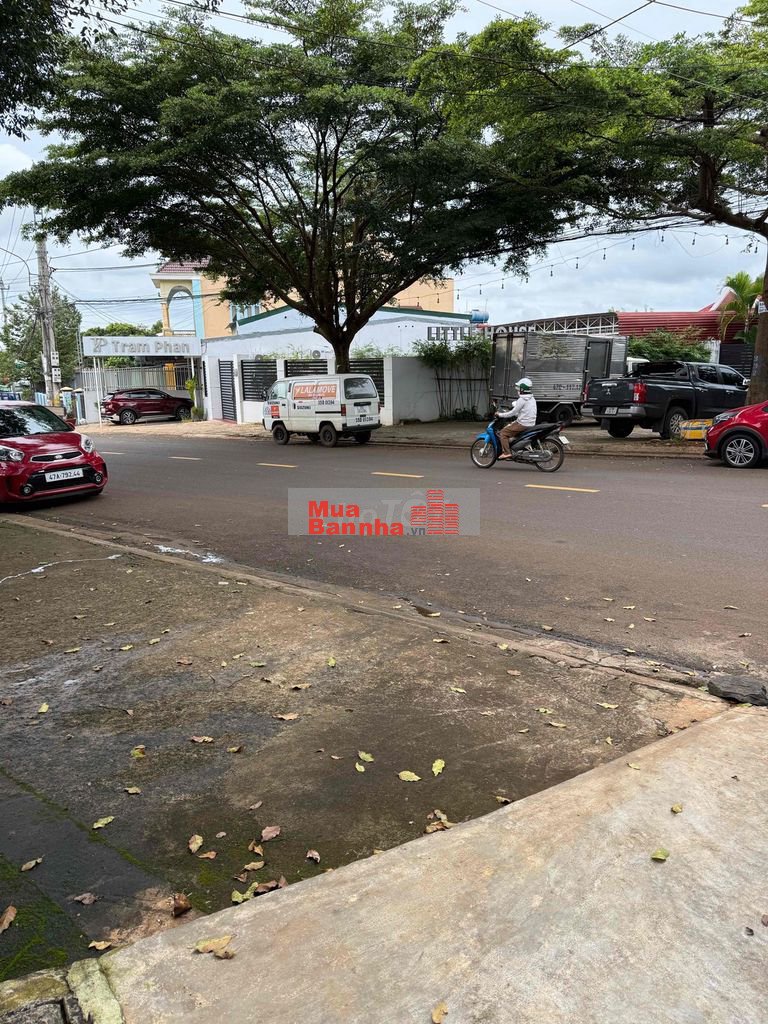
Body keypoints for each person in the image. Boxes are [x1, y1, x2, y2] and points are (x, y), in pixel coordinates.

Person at [496, 378, 537, 460]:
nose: (517, 390)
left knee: (503, 433)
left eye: (519, 388)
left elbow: (512, 413)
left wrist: (500, 415)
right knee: (511, 427)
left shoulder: (522, 399)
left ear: (522, 389)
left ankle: (507, 452)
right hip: (531, 423)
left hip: (523, 424)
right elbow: (524, 412)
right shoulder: (532, 398)